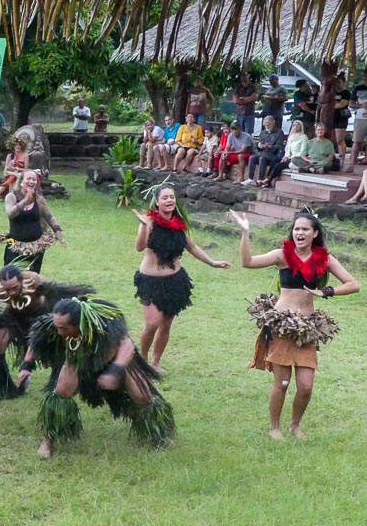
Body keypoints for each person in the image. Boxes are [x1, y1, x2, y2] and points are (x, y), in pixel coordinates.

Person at [229, 210, 359, 440]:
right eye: (296, 229)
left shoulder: (325, 259)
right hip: (281, 325)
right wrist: (245, 232)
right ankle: (274, 427)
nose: (299, 232)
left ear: (314, 233)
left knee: (306, 386)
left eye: (305, 229)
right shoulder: (282, 256)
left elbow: (353, 284)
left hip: (307, 328)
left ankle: (295, 425)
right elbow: (248, 262)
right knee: (282, 383)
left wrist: (326, 291)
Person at [24, 297, 176, 458]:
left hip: (116, 361)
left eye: (64, 328)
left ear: (78, 324)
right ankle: (48, 441)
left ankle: (159, 436)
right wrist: (26, 365)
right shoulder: (56, 324)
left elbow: (127, 346)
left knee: (143, 396)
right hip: (77, 359)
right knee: (60, 393)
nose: (59, 331)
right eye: (57, 327)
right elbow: (36, 342)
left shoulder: (106, 326)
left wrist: (115, 371)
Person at [0, 264, 94, 400]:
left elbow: (57, 296)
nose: (11, 292)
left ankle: (59, 383)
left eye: (14, 288)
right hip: (14, 316)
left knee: (56, 349)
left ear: (21, 280)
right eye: (7, 289)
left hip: (40, 315)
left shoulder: (34, 281)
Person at [132, 187, 230, 370]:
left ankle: (155, 362)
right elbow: (139, 247)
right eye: (165, 198)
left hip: (175, 281)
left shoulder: (179, 224)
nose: (169, 200)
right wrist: (144, 226)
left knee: (166, 324)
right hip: (150, 281)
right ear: (157, 202)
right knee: (152, 322)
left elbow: (192, 247)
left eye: (172, 197)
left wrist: (212, 262)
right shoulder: (149, 222)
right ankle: (142, 360)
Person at [1, 170, 64, 273]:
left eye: (34, 179)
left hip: (35, 247)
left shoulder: (39, 199)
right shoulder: (11, 197)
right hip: (15, 246)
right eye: (28, 179)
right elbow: (10, 214)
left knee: (32, 278)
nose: (31, 181)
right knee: (12, 276)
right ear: (21, 182)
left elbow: (49, 216)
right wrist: (25, 200)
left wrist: (58, 231)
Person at [263, 119, 308, 188]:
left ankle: (268, 180)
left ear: (301, 127)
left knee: (279, 166)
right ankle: (268, 179)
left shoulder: (304, 137)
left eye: (297, 125)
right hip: (288, 157)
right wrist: (286, 156)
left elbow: (303, 151)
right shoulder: (291, 136)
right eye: (294, 125)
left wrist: (290, 158)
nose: (295, 127)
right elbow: (287, 148)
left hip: (297, 158)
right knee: (274, 161)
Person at [244, 114, 284, 185]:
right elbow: (259, 145)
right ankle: (250, 178)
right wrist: (259, 145)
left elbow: (279, 147)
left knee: (262, 158)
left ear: (273, 122)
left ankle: (260, 180)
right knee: (252, 158)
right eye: (265, 124)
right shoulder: (262, 132)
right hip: (263, 153)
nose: (267, 125)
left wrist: (269, 146)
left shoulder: (279, 132)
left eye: (268, 124)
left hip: (273, 156)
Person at [0, 136, 30, 202]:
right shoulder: (10, 155)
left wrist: (17, 169)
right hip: (11, 174)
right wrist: (14, 172)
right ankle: (4, 197)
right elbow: (5, 171)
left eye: (19, 145)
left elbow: (26, 170)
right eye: (16, 145)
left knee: (13, 178)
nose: (18, 146)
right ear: (13, 146)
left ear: (22, 146)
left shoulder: (25, 155)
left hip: (21, 174)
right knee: (12, 177)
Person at [346, 68, 367, 172]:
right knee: (357, 142)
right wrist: (361, 105)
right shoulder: (358, 88)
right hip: (361, 118)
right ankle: (351, 165)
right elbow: (350, 103)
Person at [333, 73, 351, 168]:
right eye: (336, 83)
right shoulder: (332, 92)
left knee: (340, 140)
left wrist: (331, 106)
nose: (337, 84)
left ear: (343, 83)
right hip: (332, 117)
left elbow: (342, 104)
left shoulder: (346, 93)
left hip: (341, 118)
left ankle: (342, 160)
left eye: (339, 82)